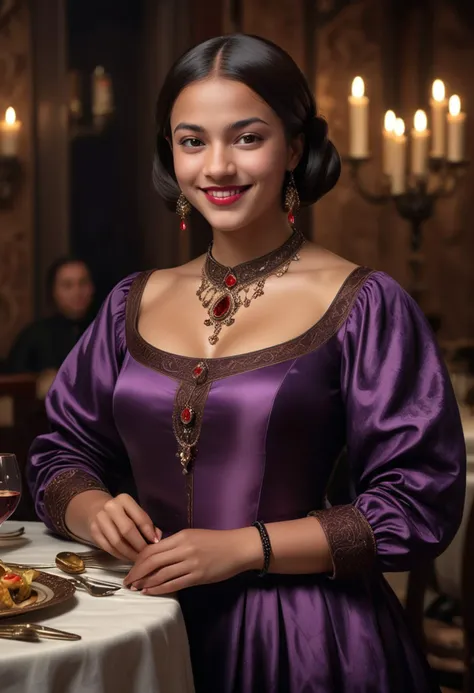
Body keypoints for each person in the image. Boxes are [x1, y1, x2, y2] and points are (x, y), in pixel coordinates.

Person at [27, 34, 466, 693]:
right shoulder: (129, 301)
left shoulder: (366, 304)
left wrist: (244, 546)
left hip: (303, 639)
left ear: (294, 147)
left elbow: (418, 501)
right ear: (169, 154)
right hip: (136, 620)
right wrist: (90, 507)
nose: (218, 166)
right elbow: (61, 447)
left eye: (247, 137)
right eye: (192, 140)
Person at [7, 257, 95, 375]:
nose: (77, 292)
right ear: (53, 292)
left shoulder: (107, 333)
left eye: (83, 283)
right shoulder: (33, 336)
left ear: (92, 288)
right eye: (67, 285)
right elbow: (15, 384)